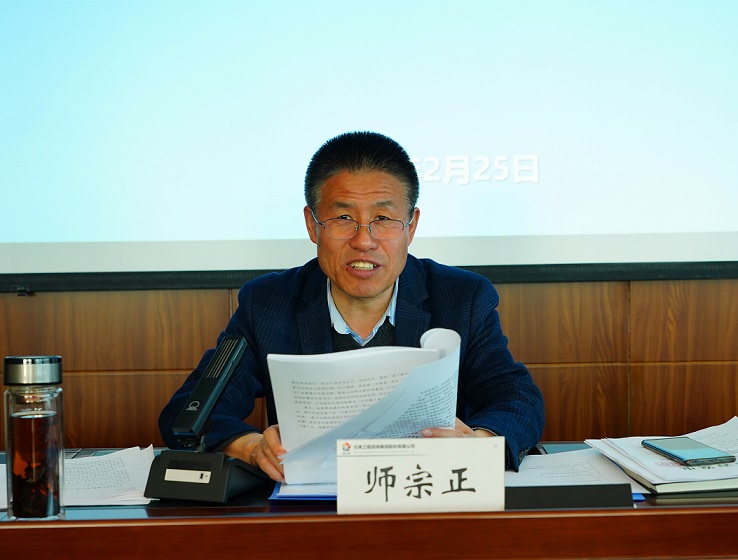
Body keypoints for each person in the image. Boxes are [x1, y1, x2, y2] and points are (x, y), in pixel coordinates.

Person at [159, 131, 544, 481]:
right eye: (343, 218)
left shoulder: (461, 298)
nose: (364, 240)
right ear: (312, 225)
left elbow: (518, 399)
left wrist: (479, 444)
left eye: (383, 218)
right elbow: (188, 412)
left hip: (424, 500)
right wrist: (252, 447)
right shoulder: (268, 303)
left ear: (411, 226)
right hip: (312, 513)